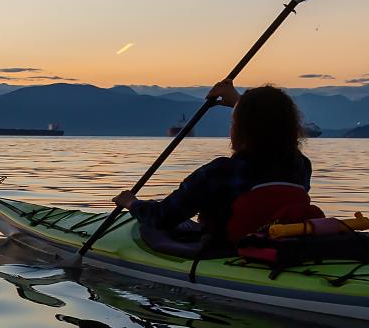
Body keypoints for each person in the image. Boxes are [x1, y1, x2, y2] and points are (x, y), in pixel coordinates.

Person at [114, 81, 314, 246]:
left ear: (241, 130)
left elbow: (163, 218)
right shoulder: (300, 166)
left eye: (233, 122)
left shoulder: (220, 172)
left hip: (224, 252)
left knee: (149, 227)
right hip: (280, 247)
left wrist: (132, 203)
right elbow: (271, 127)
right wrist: (240, 102)